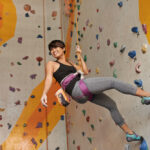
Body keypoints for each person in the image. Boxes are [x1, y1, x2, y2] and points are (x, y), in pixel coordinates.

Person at [41, 40, 150, 142]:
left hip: (81, 95)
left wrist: (79, 55)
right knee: (112, 82)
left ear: (63, 48)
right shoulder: (52, 64)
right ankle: (146, 96)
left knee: (111, 105)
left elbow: (85, 71)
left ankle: (129, 133)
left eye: (56, 47)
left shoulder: (70, 63)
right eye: (51, 49)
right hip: (78, 88)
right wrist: (44, 93)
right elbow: (49, 78)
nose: (53, 51)